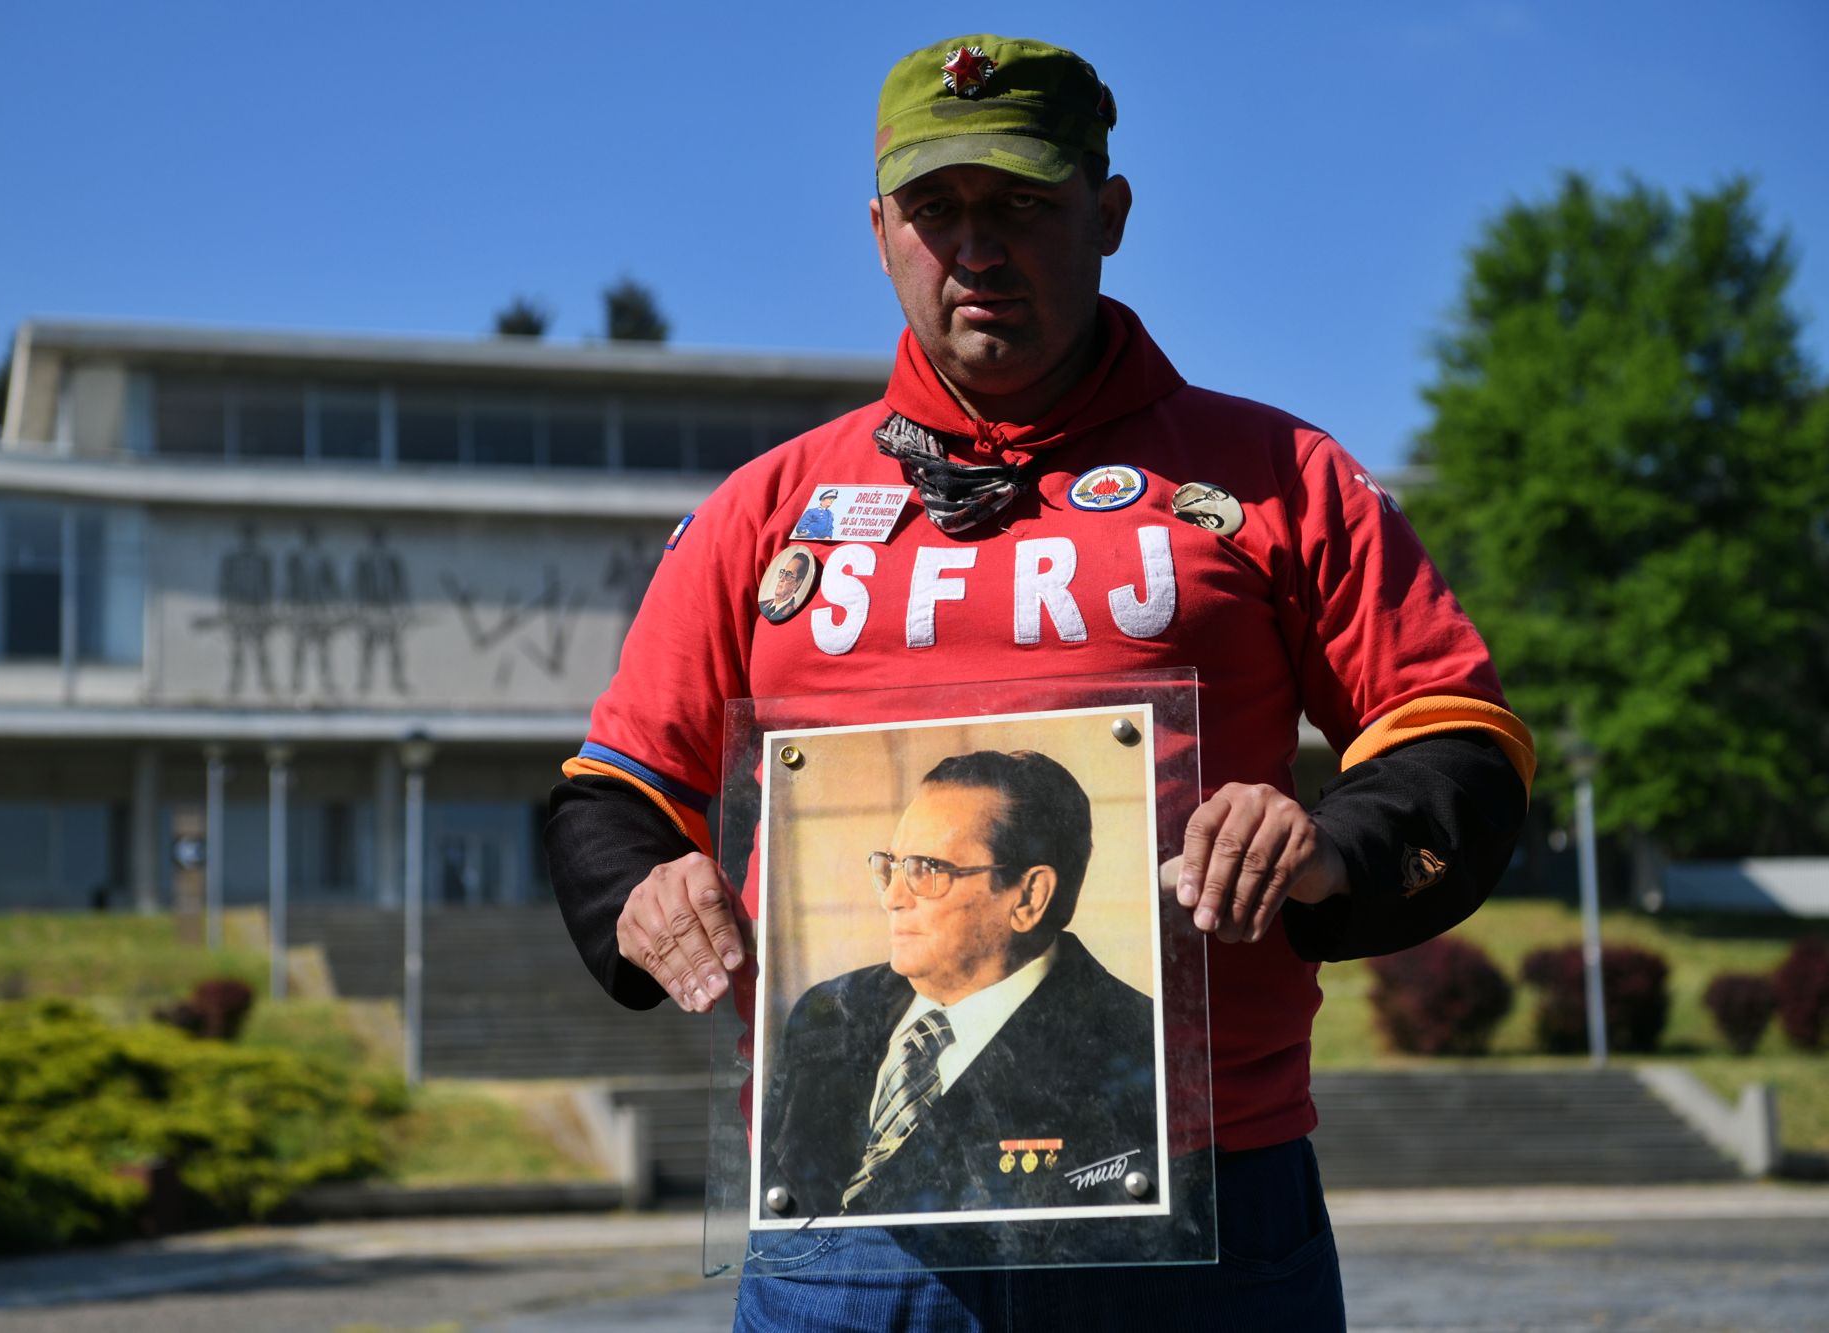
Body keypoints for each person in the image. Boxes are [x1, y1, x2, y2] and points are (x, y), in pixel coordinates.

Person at [548, 33, 1534, 1330]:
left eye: (1020, 203)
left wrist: (1325, 845)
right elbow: (612, 795)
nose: (976, 248)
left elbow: (1454, 741)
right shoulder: (762, 510)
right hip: (845, 1232)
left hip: (1204, 1200)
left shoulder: (1280, 477)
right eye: (935, 209)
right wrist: (644, 888)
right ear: (878, 230)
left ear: (1108, 214)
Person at [760, 750, 1157, 1220]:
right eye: (892, 866)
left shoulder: (1133, 1046)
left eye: (926, 870)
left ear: (1029, 897)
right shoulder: (827, 1011)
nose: (892, 898)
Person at [756, 549, 813, 623]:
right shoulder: (762, 604)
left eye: (788, 575)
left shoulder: (793, 612)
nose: (782, 578)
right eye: (783, 572)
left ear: (797, 583)